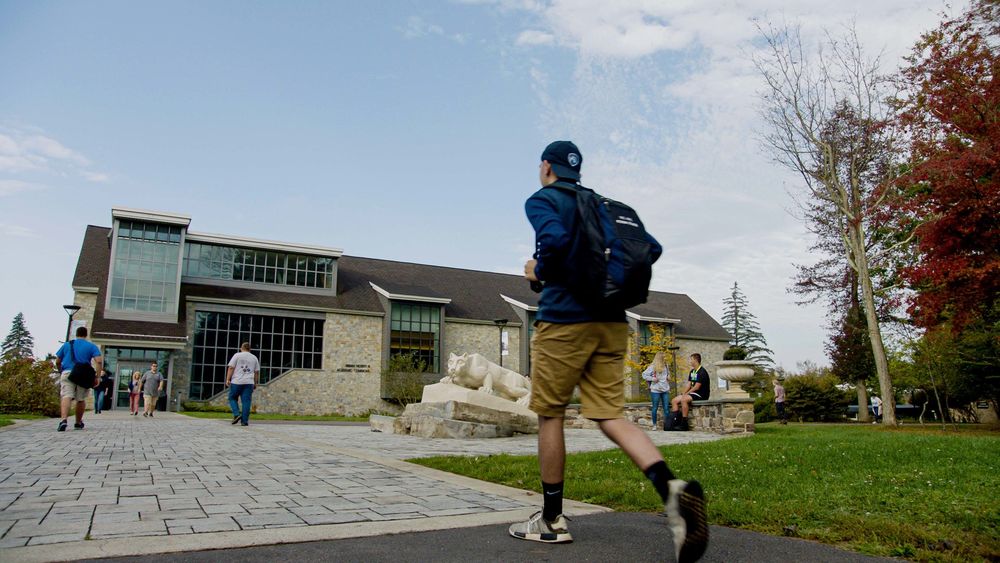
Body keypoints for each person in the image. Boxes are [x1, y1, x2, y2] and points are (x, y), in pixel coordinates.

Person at [510, 140, 708, 563]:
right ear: (577, 171)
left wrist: (536, 271)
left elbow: (556, 242)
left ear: (546, 167)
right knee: (610, 414)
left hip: (564, 322)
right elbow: (650, 247)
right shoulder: (604, 205)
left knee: (551, 414)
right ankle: (672, 489)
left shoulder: (543, 199)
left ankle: (551, 520)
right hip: (612, 323)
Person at [53, 326, 102, 431]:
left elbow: (57, 361)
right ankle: (78, 422)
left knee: (66, 396)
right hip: (82, 375)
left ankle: (63, 420)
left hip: (67, 372)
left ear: (76, 334)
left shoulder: (67, 345)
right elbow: (98, 361)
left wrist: (60, 370)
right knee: (80, 399)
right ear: (86, 334)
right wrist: (97, 376)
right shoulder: (91, 346)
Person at [669, 354, 711, 430]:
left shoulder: (702, 372)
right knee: (674, 400)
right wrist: (683, 393)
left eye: (691, 359)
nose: (690, 361)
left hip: (701, 394)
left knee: (683, 399)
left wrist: (686, 394)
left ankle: (684, 424)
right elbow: (689, 384)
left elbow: (696, 387)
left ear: (695, 360)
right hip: (692, 393)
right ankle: (675, 422)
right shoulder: (692, 371)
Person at [226, 342, 260, 426]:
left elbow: (231, 367)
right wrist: (255, 383)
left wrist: (227, 379)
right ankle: (244, 421)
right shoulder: (254, 357)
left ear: (241, 348)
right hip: (249, 383)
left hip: (237, 382)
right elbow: (256, 372)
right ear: (250, 349)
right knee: (246, 402)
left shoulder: (237, 355)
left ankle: (237, 414)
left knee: (232, 398)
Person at [642, 352, 671, 430]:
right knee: (655, 407)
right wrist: (652, 379)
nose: (665, 359)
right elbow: (644, 374)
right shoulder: (653, 366)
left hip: (665, 389)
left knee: (666, 408)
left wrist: (669, 376)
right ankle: (654, 425)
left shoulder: (666, 365)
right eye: (664, 357)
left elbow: (668, 374)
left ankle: (667, 426)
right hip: (655, 390)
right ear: (660, 358)